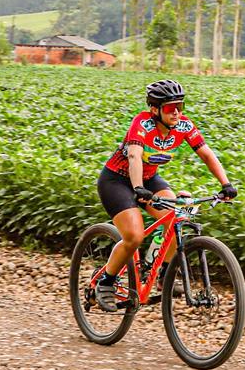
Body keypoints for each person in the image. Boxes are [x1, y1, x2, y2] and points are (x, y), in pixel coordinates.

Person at [94, 79, 237, 311]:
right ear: (155, 109)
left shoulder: (183, 126)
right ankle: (106, 281)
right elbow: (134, 156)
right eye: (171, 108)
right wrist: (138, 188)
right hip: (117, 180)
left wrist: (226, 184)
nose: (177, 112)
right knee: (134, 236)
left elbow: (206, 154)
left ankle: (164, 274)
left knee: (177, 217)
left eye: (180, 106)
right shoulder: (142, 123)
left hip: (149, 179)